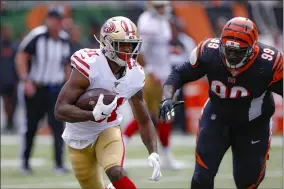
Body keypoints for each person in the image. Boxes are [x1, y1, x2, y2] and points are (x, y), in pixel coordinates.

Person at [158, 17, 283, 189]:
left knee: (247, 182)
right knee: (202, 178)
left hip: (253, 126)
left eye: (238, 52)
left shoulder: (269, 63)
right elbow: (179, 74)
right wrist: (167, 97)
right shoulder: (209, 51)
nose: (231, 56)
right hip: (217, 118)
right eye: (228, 50)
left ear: (252, 49)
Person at [54, 16, 162, 189]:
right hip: (78, 137)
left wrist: (153, 152)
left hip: (108, 129)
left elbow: (143, 119)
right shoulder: (89, 65)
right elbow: (60, 110)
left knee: (116, 171)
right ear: (107, 43)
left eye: (131, 44)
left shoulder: (135, 74)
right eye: (122, 44)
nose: (128, 49)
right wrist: (92, 114)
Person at [122, 0, 182, 170]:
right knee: (149, 116)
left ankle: (167, 156)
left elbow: (158, 49)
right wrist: (150, 70)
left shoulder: (162, 22)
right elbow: (139, 51)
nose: (163, 9)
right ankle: (122, 146)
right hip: (153, 76)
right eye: (159, 6)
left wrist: (170, 52)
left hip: (163, 75)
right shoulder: (147, 21)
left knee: (163, 116)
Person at [15, 6, 71, 174]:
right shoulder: (37, 36)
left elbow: (67, 64)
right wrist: (26, 80)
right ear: (48, 19)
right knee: (31, 126)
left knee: (57, 127)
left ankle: (59, 164)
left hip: (55, 90)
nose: (57, 23)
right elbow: (21, 56)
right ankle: (25, 163)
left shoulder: (64, 39)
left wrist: (68, 87)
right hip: (36, 87)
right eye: (55, 19)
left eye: (60, 19)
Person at [0, 24, 18, 134]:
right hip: (3, 79)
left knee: (14, 102)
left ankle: (11, 122)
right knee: (6, 101)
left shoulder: (14, 46)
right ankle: (8, 122)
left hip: (13, 79)